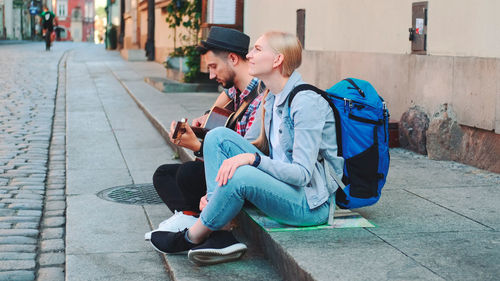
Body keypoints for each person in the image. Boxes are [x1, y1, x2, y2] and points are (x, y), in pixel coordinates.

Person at [149, 31, 344, 265]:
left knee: (242, 172)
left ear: (277, 60)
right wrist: (214, 192)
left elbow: (301, 174)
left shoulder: (305, 103)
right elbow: (243, 144)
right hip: (283, 186)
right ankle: (218, 226)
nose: (249, 55)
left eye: (258, 50)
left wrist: (253, 159)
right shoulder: (271, 97)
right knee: (218, 137)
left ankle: (194, 236)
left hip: (310, 203)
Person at [146, 27, 264, 240]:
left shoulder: (259, 100)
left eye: (213, 67)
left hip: (243, 178)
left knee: (188, 174)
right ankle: (190, 215)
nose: (211, 75)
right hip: (223, 167)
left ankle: (200, 221)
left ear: (233, 59)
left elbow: (244, 159)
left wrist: (198, 147)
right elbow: (223, 101)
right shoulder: (237, 89)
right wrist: (207, 116)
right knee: (162, 174)